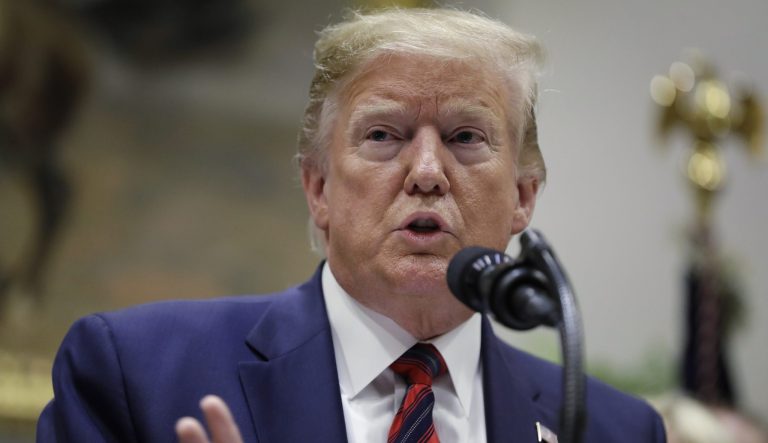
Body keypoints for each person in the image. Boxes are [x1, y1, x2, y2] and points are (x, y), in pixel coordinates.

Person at [37, 8, 667, 443]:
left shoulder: (613, 430)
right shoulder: (135, 374)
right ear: (319, 188)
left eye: (465, 137)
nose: (426, 171)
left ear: (524, 196)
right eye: (383, 135)